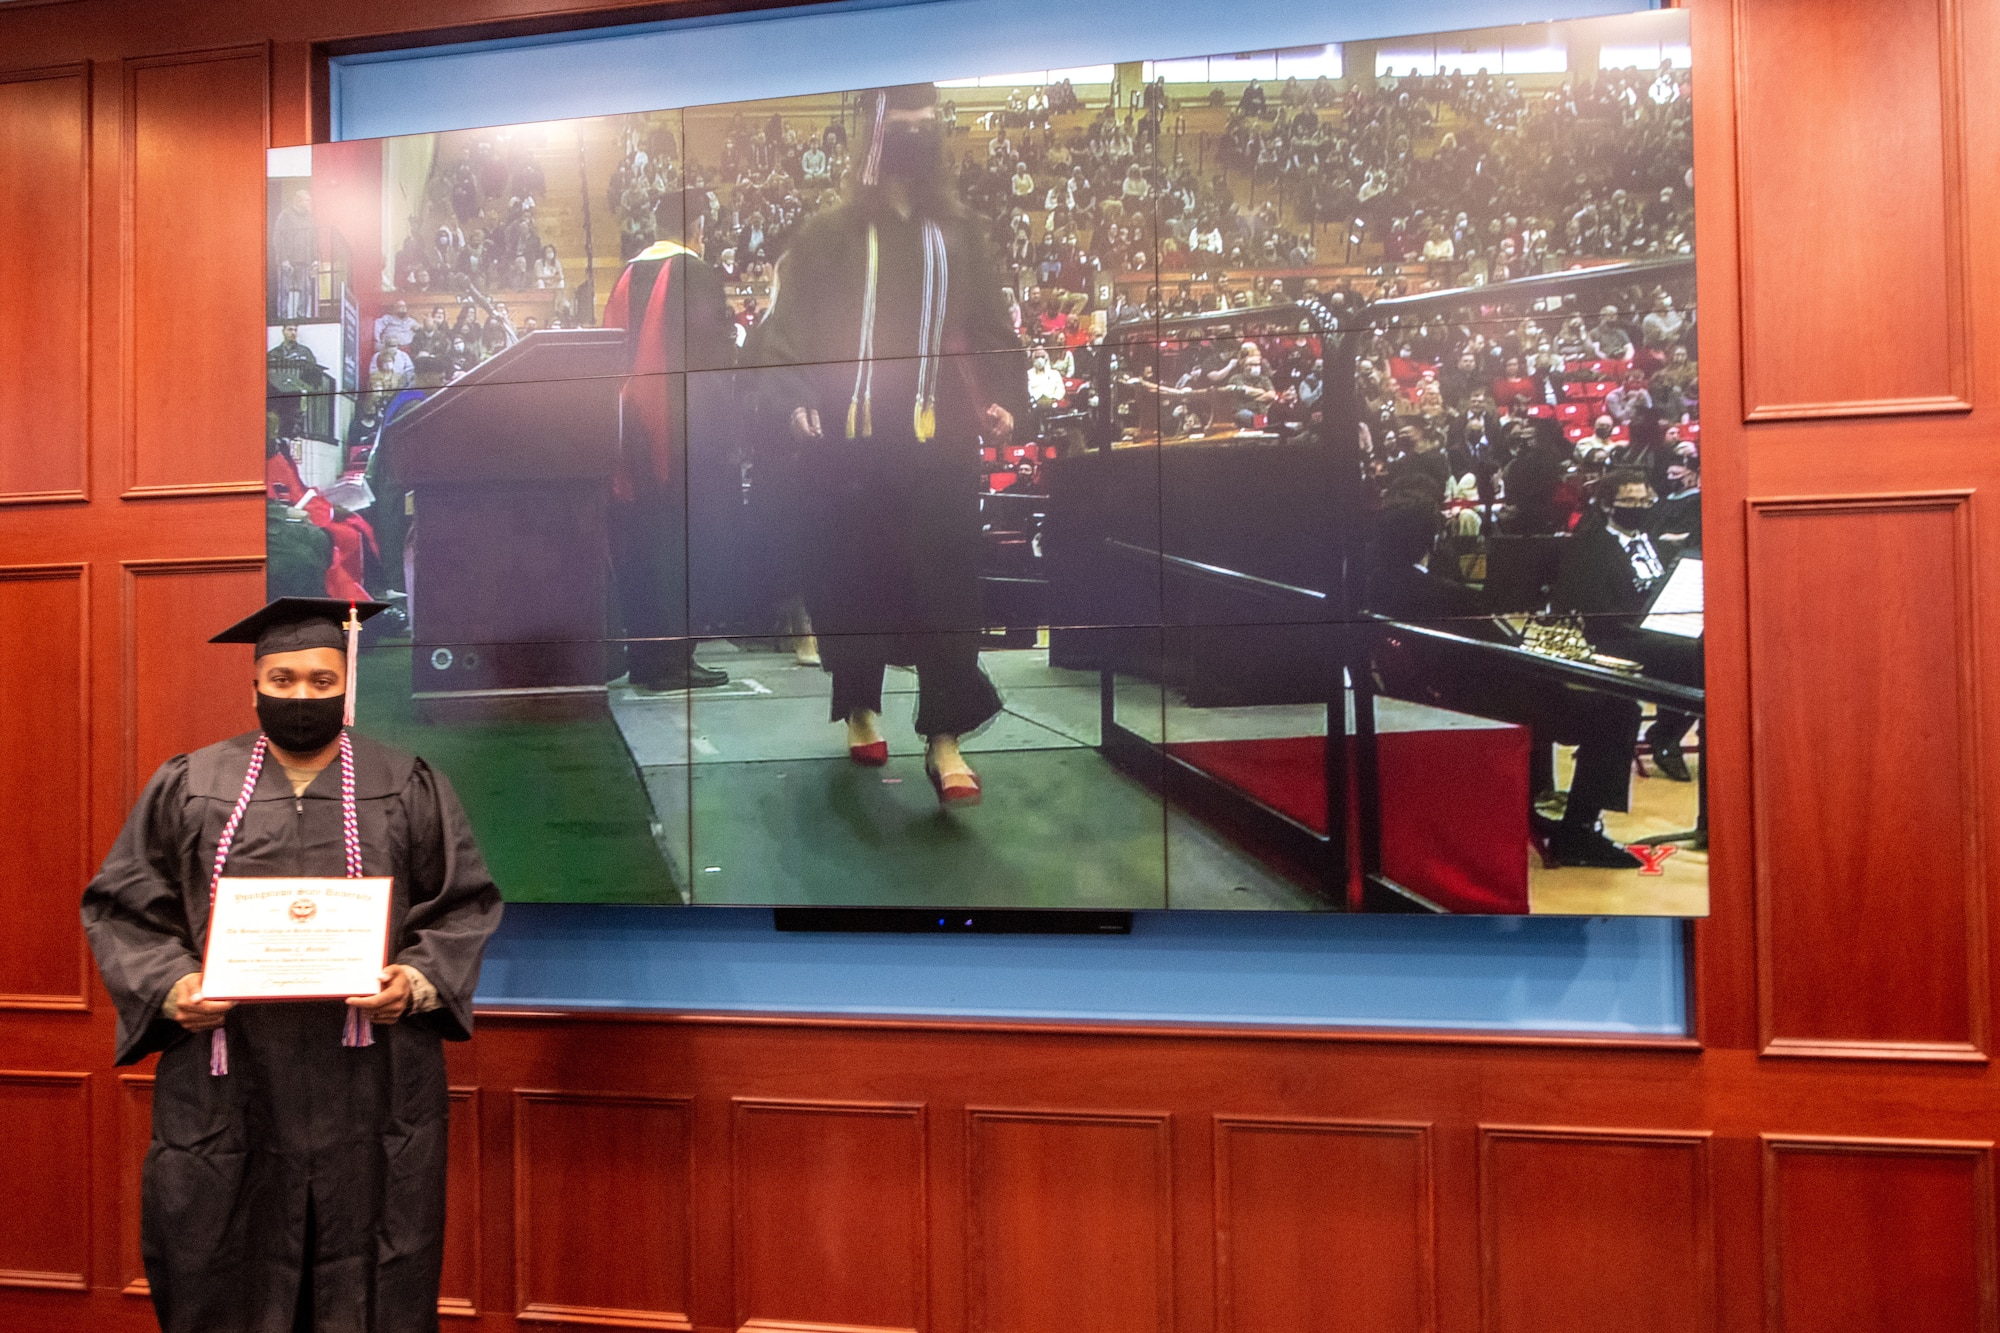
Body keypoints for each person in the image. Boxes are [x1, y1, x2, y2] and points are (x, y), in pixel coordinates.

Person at [82, 596, 503, 1333]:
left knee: (378, 1265)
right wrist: (174, 986)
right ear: (253, 687)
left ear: (345, 685)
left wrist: (415, 980)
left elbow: (462, 903)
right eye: (282, 679)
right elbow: (125, 904)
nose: (300, 696)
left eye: (318, 679)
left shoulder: (408, 783)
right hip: (229, 1078)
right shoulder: (190, 783)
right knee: (220, 1258)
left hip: (371, 1083)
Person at [752, 83, 1029, 804]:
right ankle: (862, 706)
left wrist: (1003, 401)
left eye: (925, 128)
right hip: (853, 442)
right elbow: (783, 335)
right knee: (854, 579)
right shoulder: (829, 234)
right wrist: (795, 401)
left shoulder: (961, 235)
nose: (914, 140)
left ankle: (945, 739)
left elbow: (995, 331)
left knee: (945, 586)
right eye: (899, 128)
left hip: (937, 441)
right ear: (875, 138)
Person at [1364, 503, 1645, 868]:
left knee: (1556, 694)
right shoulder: (1446, 594)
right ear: (1430, 541)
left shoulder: (1370, 586)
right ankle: (1578, 832)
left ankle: (1530, 806)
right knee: (1618, 710)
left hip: (1425, 694)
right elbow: (1505, 650)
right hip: (1475, 699)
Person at [601, 187, 736, 690]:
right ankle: (675, 661)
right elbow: (715, 363)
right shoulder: (697, 272)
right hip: (684, 434)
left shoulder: (625, 276)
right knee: (683, 544)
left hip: (629, 431)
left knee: (640, 543)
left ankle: (646, 658)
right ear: (698, 226)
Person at [1552, 469, 1704, 781]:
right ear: (1608, 506)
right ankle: (1666, 737)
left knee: (1718, 651)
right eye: (1629, 501)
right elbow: (1597, 609)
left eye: (1644, 500)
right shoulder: (1592, 547)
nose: (1639, 507)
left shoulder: (1657, 541)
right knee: (1694, 657)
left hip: (1666, 627)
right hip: (1618, 635)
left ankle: (1670, 731)